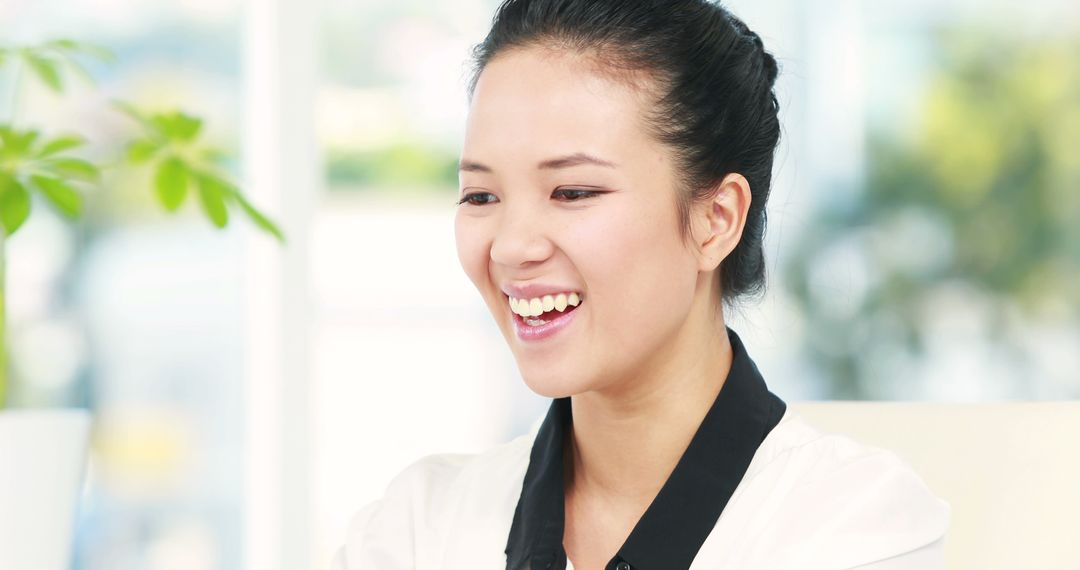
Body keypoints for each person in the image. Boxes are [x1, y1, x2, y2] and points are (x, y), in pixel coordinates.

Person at [332, 0, 950, 568]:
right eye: (481, 195)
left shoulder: (856, 527)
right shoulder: (415, 527)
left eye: (572, 191)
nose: (513, 246)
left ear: (717, 219)